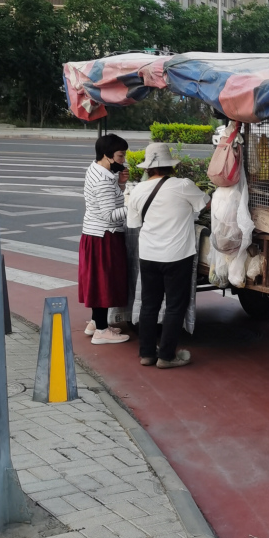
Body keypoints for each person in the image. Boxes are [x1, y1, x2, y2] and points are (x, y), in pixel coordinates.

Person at [126, 142, 208, 369]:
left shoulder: (137, 191)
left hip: (149, 254)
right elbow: (205, 204)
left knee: (149, 305)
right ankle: (167, 356)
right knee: (174, 305)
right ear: (170, 166)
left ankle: (146, 354)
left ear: (148, 168)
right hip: (177, 255)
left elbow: (134, 223)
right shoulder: (183, 185)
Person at [79, 133, 131, 345]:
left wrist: (120, 186)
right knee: (103, 281)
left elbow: (108, 203)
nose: (123, 160)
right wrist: (134, 206)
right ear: (107, 156)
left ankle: (95, 322)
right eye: (120, 155)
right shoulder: (102, 180)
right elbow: (109, 215)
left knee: (97, 280)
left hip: (94, 234)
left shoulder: (97, 170)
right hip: (104, 235)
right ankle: (101, 330)